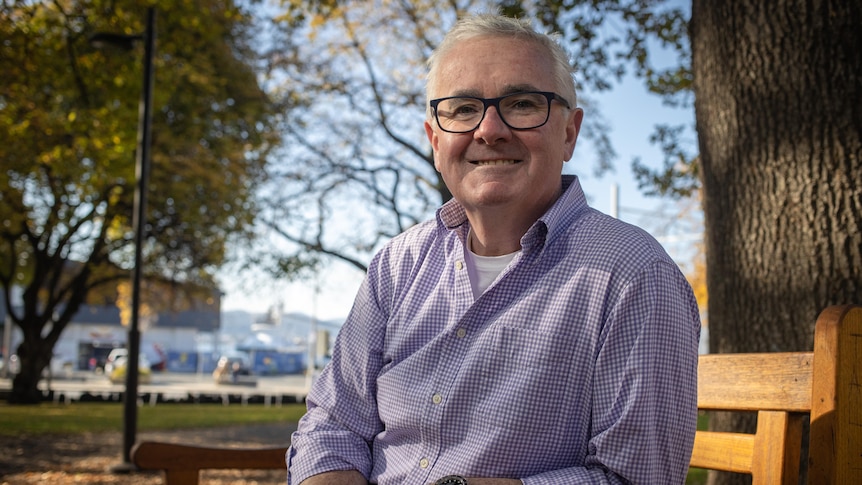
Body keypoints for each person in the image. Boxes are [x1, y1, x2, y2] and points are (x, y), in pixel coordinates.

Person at [288, 14, 701, 485]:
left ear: (569, 132)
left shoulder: (634, 276)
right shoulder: (397, 265)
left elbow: (636, 479)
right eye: (463, 109)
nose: (489, 130)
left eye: (522, 103)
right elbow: (334, 423)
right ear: (434, 139)